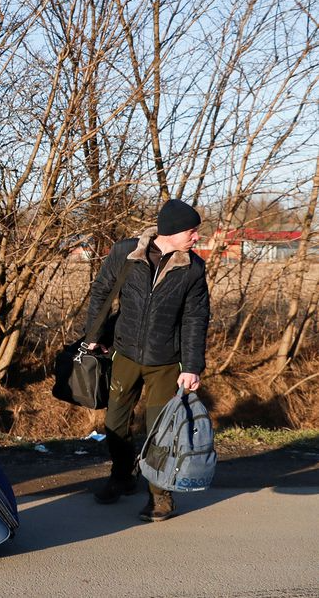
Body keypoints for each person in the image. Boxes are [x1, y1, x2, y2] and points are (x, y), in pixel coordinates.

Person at [85, 198, 209, 522]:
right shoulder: (125, 252)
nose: (196, 237)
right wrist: (93, 336)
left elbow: (196, 318)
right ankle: (122, 477)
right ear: (171, 230)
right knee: (115, 422)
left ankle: (160, 496)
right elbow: (102, 292)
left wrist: (193, 366)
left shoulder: (193, 268)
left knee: (160, 431)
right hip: (124, 353)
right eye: (192, 231)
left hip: (166, 362)